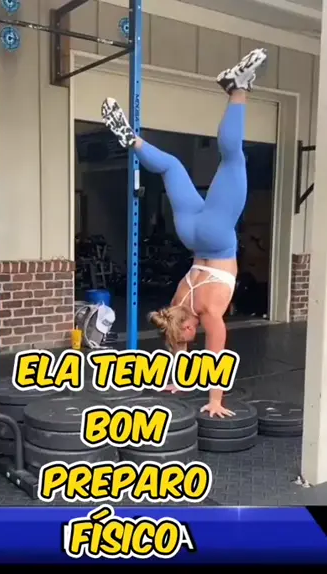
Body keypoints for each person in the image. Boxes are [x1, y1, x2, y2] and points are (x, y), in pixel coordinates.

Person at [101, 48, 268, 418]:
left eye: (190, 335)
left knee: (233, 158)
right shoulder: (176, 305)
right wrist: (174, 378)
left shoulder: (202, 311)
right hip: (190, 234)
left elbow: (216, 356)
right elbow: (177, 338)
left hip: (215, 236)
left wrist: (215, 400)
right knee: (171, 167)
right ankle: (135, 142)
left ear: (191, 325)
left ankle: (238, 88)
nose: (190, 341)